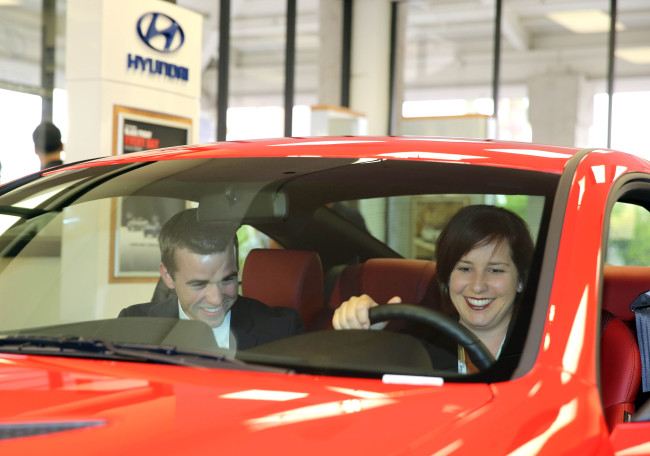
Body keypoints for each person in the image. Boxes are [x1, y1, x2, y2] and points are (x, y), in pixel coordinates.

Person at [332, 204, 534, 373]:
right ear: (447, 276)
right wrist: (365, 335)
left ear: (521, 280)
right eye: (464, 268)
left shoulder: (548, 350)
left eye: (495, 270)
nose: (478, 285)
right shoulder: (417, 347)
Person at [119, 208, 306, 350]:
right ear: (168, 276)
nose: (216, 298)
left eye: (227, 280)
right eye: (199, 284)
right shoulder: (133, 326)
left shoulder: (281, 331)